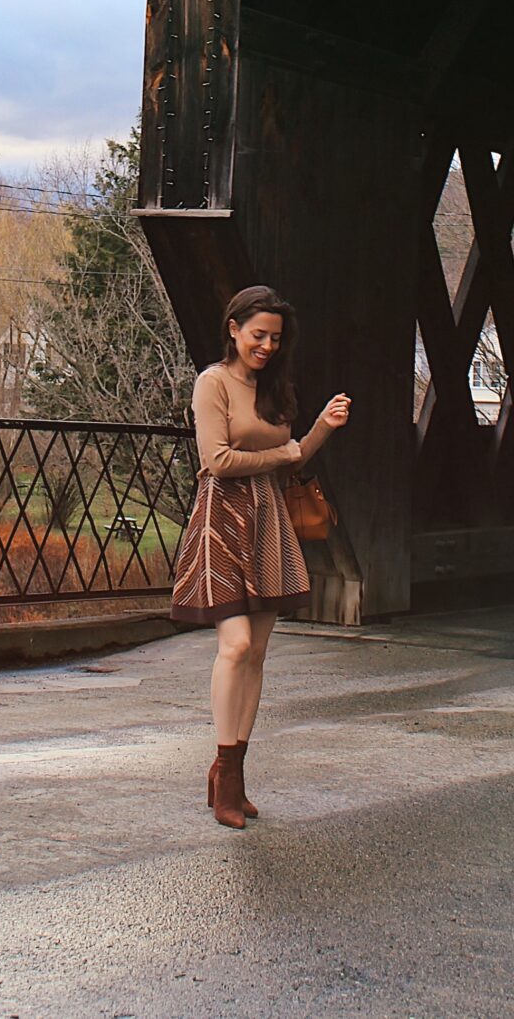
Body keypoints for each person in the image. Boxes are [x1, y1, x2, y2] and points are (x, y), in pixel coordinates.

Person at [170, 283, 351, 829]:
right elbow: (217, 460)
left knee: (258, 655)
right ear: (233, 329)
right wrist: (287, 450)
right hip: (222, 520)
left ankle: (234, 774)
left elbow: (288, 464)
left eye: (275, 338)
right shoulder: (213, 382)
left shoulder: (275, 390)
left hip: (269, 520)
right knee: (236, 644)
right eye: (258, 335)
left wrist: (320, 429)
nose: (267, 346)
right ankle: (224, 775)